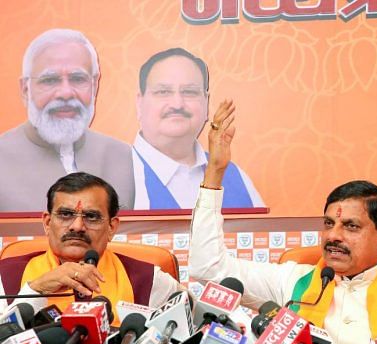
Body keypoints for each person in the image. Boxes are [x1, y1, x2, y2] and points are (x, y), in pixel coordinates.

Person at [188, 102, 377, 344]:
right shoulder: (293, 285)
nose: (333, 236)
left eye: (351, 226)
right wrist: (215, 171)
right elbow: (208, 268)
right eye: (328, 224)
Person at [0, 172, 181, 325]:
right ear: (47, 223)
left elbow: (197, 332)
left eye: (91, 216)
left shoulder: (147, 279)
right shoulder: (5, 276)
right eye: (65, 214)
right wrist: (35, 290)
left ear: (112, 227)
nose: (77, 226)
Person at [0, 28, 134, 212]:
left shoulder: (119, 155)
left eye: (78, 79)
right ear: (25, 90)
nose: (65, 93)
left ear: (94, 85)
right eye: (50, 80)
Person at [132, 47, 263, 209]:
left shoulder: (235, 177)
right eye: (163, 91)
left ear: (206, 103)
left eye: (189, 92)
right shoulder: (116, 175)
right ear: (139, 103)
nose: (177, 104)